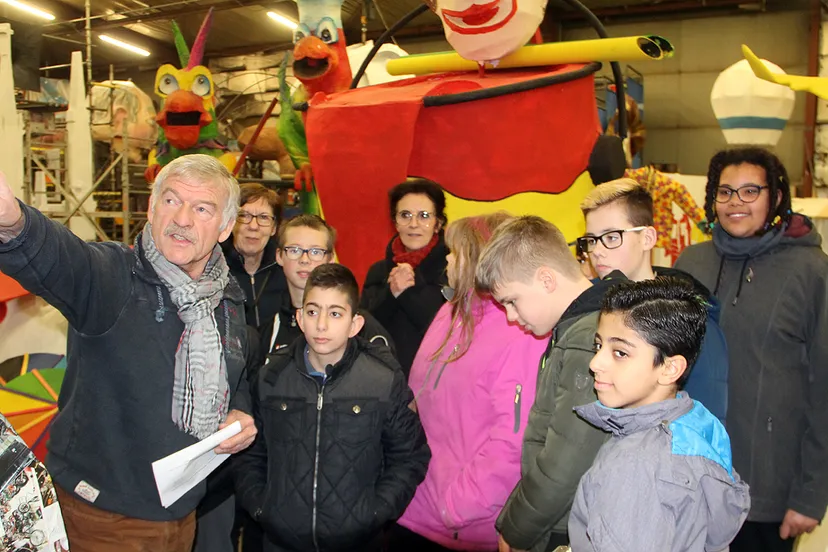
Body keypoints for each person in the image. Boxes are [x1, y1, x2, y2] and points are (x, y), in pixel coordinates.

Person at [0, 154, 257, 552]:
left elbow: (233, 375)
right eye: (171, 201)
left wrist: (238, 412)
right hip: (101, 517)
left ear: (224, 228)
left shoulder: (227, 299)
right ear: (152, 208)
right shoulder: (112, 277)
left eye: (202, 208)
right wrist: (14, 221)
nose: (183, 219)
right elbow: (61, 258)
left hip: (183, 513)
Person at [674, 146, 828, 551]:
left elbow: (825, 386)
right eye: (725, 192)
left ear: (775, 197)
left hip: (766, 488)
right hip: (689, 477)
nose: (735, 203)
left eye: (749, 191)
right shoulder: (691, 264)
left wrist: (811, 494)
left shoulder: (811, 272)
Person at [234, 263, 431, 552]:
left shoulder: (382, 380)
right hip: (281, 541)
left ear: (355, 324)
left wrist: (374, 513)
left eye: (335, 313)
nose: (321, 324)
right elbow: (249, 454)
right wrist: (263, 508)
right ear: (300, 319)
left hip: (359, 541)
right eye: (312, 312)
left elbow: (410, 456)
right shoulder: (271, 377)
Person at [389, 213, 548, 551]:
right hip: (412, 505)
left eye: (455, 252)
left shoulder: (520, 329)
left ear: (481, 259)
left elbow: (511, 440)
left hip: (461, 527)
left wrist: (456, 507)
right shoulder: (451, 311)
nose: (447, 259)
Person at [474, 216, 624, 552]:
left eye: (512, 301)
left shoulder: (588, 339)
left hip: (569, 528)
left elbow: (565, 462)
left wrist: (514, 530)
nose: (511, 316)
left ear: (546, 279)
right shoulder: (579, 329)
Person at [568, 278, 750, 551]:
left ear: (670, 368)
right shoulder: (694, 423)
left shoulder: (637, 463)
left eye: (619, 352)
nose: (595, 363)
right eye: (598, 346)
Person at [578, 178, 729, 424]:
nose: (597, 250)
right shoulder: (585, 308)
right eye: (592, 240)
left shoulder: (692, 320)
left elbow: (706, 421)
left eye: (612, 237)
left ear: (648, 238)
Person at [260, 214, 393, 356]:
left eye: (315, 252)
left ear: (330, 258)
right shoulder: (267, 332)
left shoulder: (362, 328)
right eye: (295, 250)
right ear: (279, 256)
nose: (304, 260)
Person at [361, 179, 449, 376]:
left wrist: (407, 293)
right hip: (384, 379)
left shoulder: (452, 269)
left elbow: (446, 331)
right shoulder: (378, 271)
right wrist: (391, 294)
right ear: (395, 223)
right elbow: (363, 329)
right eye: (405, 215)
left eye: (424, 216)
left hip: (436, 379)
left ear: (438, 223)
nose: (414, 224)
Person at [222, 183, 285, 328]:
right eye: (244, 216)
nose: (253, 226)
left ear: (274, 228)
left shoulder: (285, 269)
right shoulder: (214, 268)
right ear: (230, 223)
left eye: (263, 217)